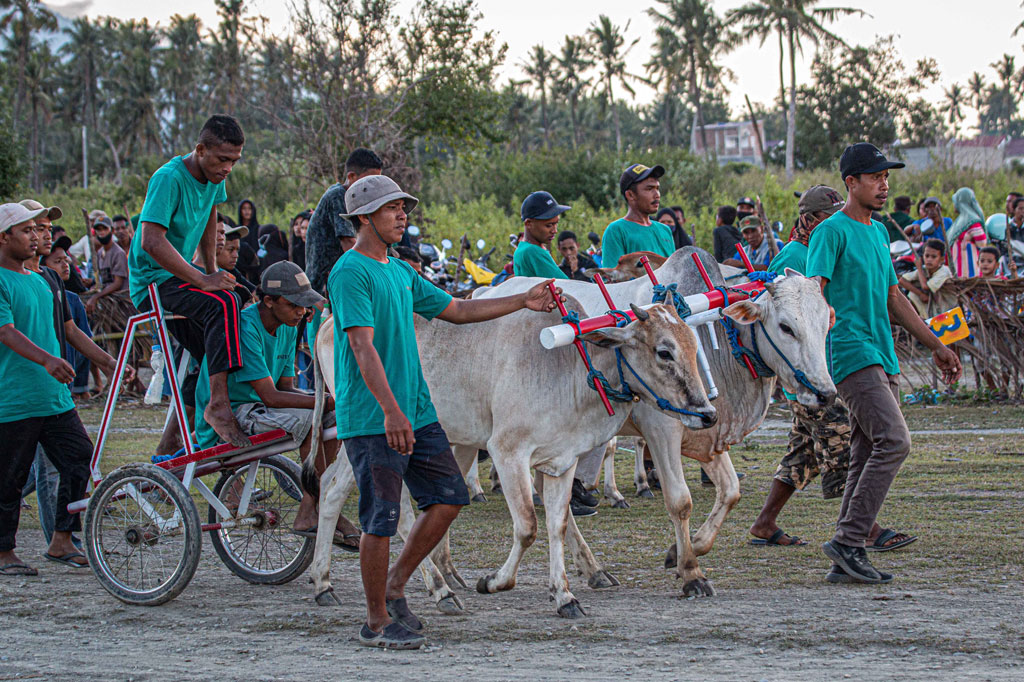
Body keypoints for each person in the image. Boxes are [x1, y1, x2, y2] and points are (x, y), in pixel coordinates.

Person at [328, 174, 562, 648]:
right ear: (364, 217)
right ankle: (375, 622)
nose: (403, 215)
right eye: (393, 208)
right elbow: (361, 347)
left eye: (403, 208)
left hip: (417, 408)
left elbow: (456, 309)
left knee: (450, 496)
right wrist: (392, 411)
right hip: (377, 416)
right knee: (380, 518)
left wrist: (522, 300)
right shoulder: (350, 272)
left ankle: (395, 585)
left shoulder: (397, 270)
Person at [806, 142, 961, 584]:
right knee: (895, 441)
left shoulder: (875, 233)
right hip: (850, 351)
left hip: (883, 353)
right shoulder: (830, 232)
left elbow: (895, 297)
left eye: (886, 177)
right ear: (851, 182)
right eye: (875, 177)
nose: (884, 185)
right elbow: (813, 290)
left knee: (867, 450)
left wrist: (936, 344)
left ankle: (845, 556)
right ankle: (851, 540)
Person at [192, 261, 358, 549]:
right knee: (314, 418)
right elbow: (270, 396)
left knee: (334, 418)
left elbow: (285, 387)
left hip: (263, 406)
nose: (302, 312)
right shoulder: (246, 326)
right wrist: (324, 401)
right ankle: (313, 506)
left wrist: (328, 401)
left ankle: (315, 503)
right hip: (237, 411)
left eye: (304, 305)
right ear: (268, 301)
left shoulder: (289, 326)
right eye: (294, 305)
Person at [128, 114, 250, 449]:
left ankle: (177, 444)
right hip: (152, 282)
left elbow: (211, 215)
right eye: (223, 159)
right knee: (223, 303)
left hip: (180, 278)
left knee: (220, 346)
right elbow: (150, 242)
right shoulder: (169, 178)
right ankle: (219, 406)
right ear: (200, 149)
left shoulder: (214, 178)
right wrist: (202, 279)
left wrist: (211, 272)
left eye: (234, 161)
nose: (227, 168)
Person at [0, 203, 97, 576]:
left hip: (52, 396)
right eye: (25, 231)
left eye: (35, 230)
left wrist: (104, 362)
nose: (34, 237)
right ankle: (5, 551)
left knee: (79, 458)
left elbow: (65, 330)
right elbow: (6, 332)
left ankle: (61, 539)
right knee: (10, 476)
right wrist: (47, 360)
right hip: (14, 397)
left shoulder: (41, 280)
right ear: (5, 237)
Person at [305, 148, 384, 299]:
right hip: (324, 285)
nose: (374, 187)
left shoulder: (356, 201)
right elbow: (349, 242)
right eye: (369, 181)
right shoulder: (339, 196)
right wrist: (375, 273)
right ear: (352, 176)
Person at [601, 163, 676, 269]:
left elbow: (673, 271)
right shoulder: (616, 231)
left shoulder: (665, 230)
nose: (657, 195)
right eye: (649, 189)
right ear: (631, 195)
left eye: (657, 188)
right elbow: (613, 279)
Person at [512, 191, 571, 281]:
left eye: (556, 224)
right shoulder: (533, 251)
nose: (555, 230)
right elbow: (566, 286)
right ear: (529, 223)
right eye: (549, 225)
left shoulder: (521, 249)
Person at [85, 216, 130, 315]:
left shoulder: (118, 253)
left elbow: (117, 283)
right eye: (98, 230)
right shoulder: (100, 253)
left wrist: (96, 297)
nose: (102, 233)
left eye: (105, 229)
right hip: (108, 302)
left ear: (112, 231)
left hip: (121, 303)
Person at [901, 239, 954, 317]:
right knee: (912, 295)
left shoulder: (944, 271)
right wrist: (920, 294)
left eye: (933, 257)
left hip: (947, 308)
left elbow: (925, 287)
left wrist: (919, 268)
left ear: (942, 259)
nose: (929, 259)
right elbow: (902, 281)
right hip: (932, 307)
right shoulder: (924, 269)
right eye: (927, 256)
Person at [947, 187, 988, 278]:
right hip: (957, 267)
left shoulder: (972, 220)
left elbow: (982, 242)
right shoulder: (962, 219)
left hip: (968, 270)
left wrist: (965, 245)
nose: (954, 205)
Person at [220, 221, 257, 300]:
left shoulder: (232, 272)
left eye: (237, 250)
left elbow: (254, 292)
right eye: (230, 250)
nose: (236, 255)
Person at [235, 199, 261, 283]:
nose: (247, 211)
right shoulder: (237, 230)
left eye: (249, 208)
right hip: (240, 266)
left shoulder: (258, 229)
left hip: (256, 266)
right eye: (244, 208)